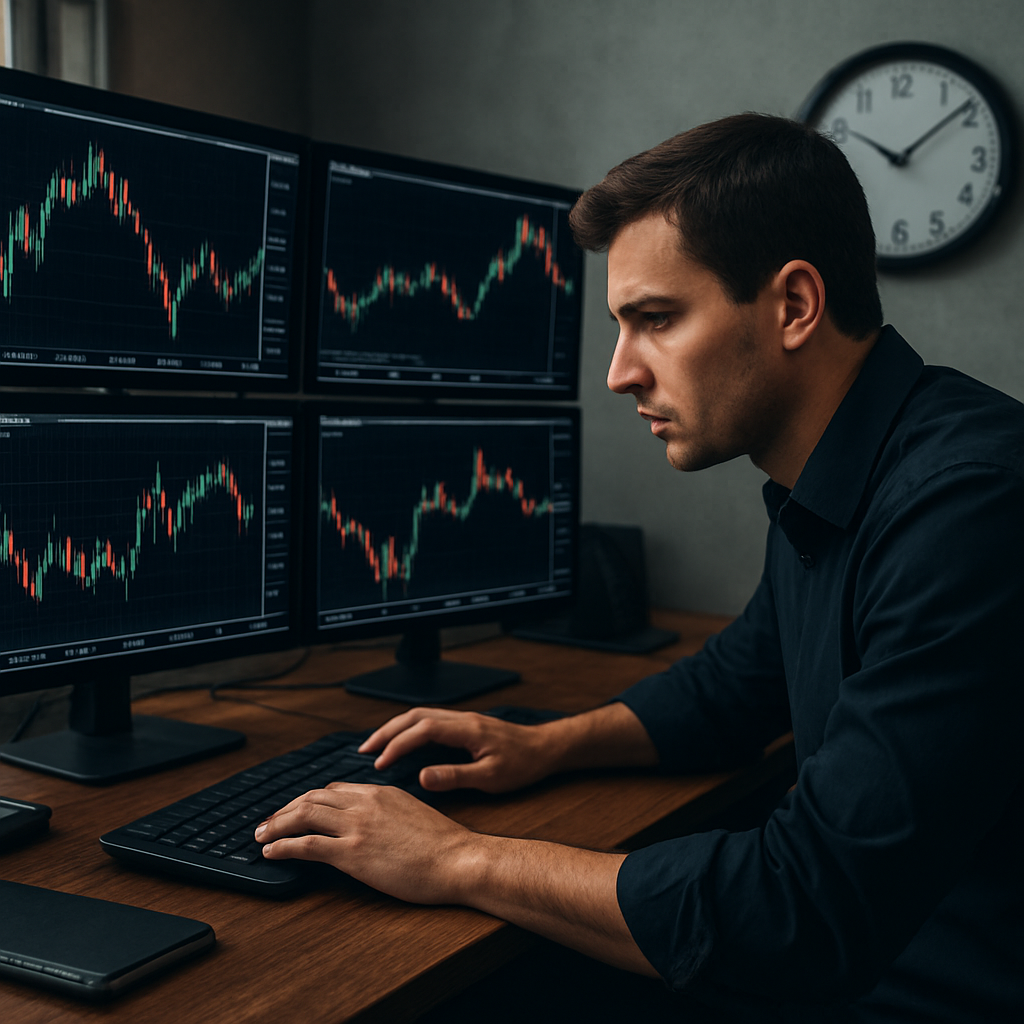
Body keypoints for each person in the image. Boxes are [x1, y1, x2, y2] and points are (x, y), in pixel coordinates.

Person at [255, 114, 1024, 1022]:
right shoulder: (843, 471)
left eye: (655, 320)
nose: (619, 372)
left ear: (794, 306)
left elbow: (803, 909)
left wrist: (457, 858)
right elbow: (741, 684)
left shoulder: (968, 505)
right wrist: (543, 743)